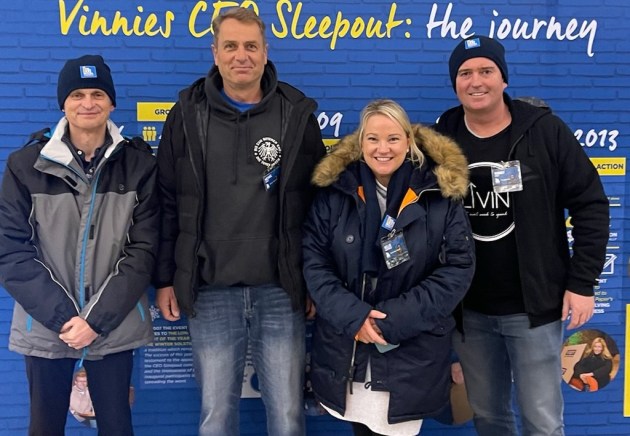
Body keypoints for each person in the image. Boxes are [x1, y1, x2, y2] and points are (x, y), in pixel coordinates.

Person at [153, 7, 325, 436]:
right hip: (210, 289)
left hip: (280, 289)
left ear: (266, 52)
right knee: (216, 417)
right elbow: (168, 200)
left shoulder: (296, 113)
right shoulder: (186, 114)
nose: (241, 56)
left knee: (287, 417)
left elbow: (319, 205)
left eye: (251, 46)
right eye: (230, 46)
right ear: (215, 52)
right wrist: (165, 278)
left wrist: (316, 282)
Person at [433, 36, 609, 435]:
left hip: (534, 309)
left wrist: (582, 283)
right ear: (455, 83)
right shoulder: (442, 138)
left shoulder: (544, 131)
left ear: (503, 79)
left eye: (485, 70)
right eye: (465, 73)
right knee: (489, 417)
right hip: (470, 311)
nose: (476, 81)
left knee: (541, 421)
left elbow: (591, 204)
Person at [0, 54, 159, 435]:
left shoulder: (140, 165)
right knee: (44, 428)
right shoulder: (26, 165)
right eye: (78, 94)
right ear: (63, 103)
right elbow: (10, 250)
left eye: (97, 94)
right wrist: (64, 318)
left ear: (111, 103)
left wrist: (95, 321)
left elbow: (144, 250)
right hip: (46, 326)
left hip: (113, 326)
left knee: (117, 428)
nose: (88, 103)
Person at [302, 99, 475, 435]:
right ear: (360, 142)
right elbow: (314, 262)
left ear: (408, 142)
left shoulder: (438, 196)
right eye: (373, 139)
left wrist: (389, 322)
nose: (383, 148)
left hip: (408, 359)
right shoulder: (335, 192)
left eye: (393, 138)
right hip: (347, 356)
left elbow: (457, 269)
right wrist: (355, 317)